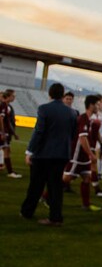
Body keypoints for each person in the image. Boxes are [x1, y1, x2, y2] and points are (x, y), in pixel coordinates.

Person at [20, 83, 77, 226]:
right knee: (55, 187)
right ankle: (56, 217)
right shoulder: (72, 112)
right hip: (62, 154)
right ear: (63, 95)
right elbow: (73, 134)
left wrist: (30, 151)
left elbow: (39, 132)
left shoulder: (44, 109)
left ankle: (27, 211)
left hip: (43, 154)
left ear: (50, 94)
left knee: (36, 185)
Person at [63, 95, 101, 211]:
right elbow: (82, 139)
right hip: (77, 156)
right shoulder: (83, 118)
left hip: (84, 157)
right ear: (91, 105)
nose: (98, 106)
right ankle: (45, 196)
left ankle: (86, 204)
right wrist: (91, 154)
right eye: (97, 104)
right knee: (65, 179)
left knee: (86, 178)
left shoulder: (90, 120)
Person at [1, 89, 22, 178]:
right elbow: (1, 119)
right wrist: (2, 132)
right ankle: (10, 172)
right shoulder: (3, 106)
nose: (14, 98)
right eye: (13, 96)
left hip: (5, 132)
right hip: (3, 132)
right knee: (6, 151)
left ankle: (10, 171)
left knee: (7, 150)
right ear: (8, 96)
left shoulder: (5, 106)